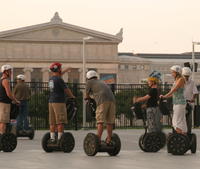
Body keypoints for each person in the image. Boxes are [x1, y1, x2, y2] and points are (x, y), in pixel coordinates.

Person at [85, 70, 116, 144]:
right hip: (112, 100)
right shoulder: (101, 81)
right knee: (109, 121)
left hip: (102, 101)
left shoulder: (89, 82)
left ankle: (97, 139)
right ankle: (109, 139)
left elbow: (86, 94)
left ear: (88, 77)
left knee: (100, 121)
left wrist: (88, 98)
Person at [48, 62, 75, 143]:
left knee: (52, 122)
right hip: (59, 102)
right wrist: (72, 96)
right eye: (60, 68)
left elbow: (58, 75)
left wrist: (66, 70)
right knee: (60, 121)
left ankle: (52, 138)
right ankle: (60, 139)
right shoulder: (59, 79)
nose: (61, 69)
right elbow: (66, 90)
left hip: (51, 101)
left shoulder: (51, 79)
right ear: (58, 69)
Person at [160, 65, 187, 134]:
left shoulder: (181, 79)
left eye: (173, 72)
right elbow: (173, 93)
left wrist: (165, 96)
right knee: (181, 121)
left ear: (177, 73)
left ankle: (180, 136)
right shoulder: (177, 80)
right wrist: (165, 97)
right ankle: (183, 136)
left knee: (175, 121)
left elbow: (174, 89)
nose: (172, 74)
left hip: (180, 103)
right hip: (177, 103)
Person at [0, 65, 20, 134]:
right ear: (5, 72)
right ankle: (2, 137)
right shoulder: (5, 81)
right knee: (4, 121)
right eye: (9, 71)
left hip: (1, 102)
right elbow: (9, 93)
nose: (11, 72)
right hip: (4, 103)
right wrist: (15, 100)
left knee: (2, 121)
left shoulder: (1, 80)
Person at [182, 67, 198, 134]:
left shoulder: (192, 82)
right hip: (181, 103)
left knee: (188, 119)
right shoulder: (180, 81)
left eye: (187, 76)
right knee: (181, 119)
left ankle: (188, 132)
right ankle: (181, 132)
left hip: (189, 103)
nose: (186, 77)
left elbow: (195, 92)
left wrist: (193, 98)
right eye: (185, 76)